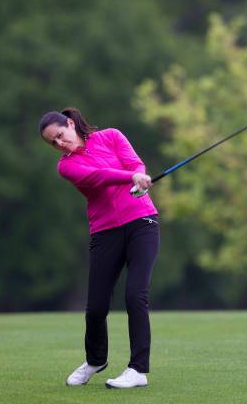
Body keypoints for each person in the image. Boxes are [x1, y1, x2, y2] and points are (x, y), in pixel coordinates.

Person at [39, 107, 160, 389]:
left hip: (142, 222)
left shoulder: (111, 135)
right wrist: (130, 178)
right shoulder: (66, 165)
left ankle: (138, 370)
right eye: (52, 143)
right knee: (96, 307)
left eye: (60, 135)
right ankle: (95, 360)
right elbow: (98, 176)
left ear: (70, 123)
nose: (59, 144)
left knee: (135, 296)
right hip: (105, 231)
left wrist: (139, 176)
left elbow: (134, 163)